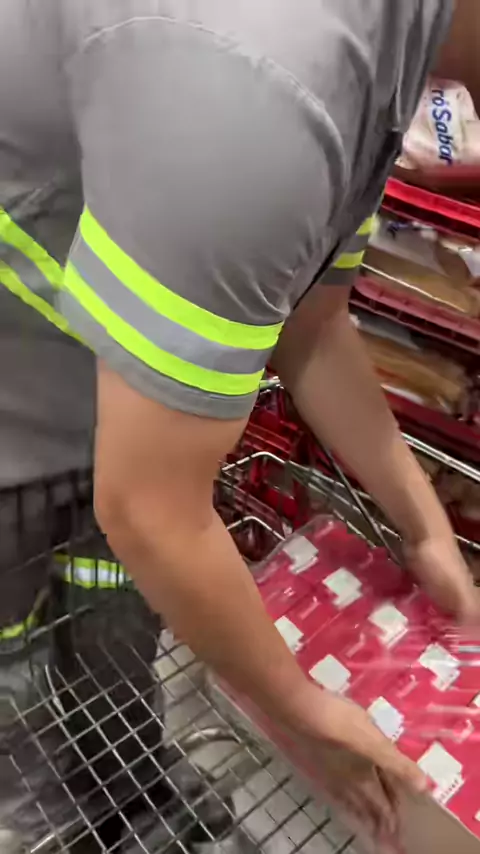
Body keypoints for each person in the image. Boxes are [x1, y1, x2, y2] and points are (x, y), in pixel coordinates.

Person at [1, 0, 479, 847]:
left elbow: (313, 326)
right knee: (19, 655)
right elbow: (151, 508)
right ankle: (52, 816)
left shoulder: (382, 53)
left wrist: (424, 525)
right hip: (19, 391)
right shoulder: (260, 91)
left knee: (114, 599)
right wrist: (298, 709)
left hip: (112, 382)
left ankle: (128, 779)